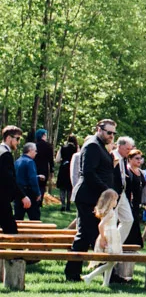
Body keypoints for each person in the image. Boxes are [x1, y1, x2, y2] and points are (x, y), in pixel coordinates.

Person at [66, 120, 117, 280]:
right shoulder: (92, 145)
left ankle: (73, 273)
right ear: (99, 130)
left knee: (84, 236)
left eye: (113, 133)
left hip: (95, 198)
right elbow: (88, 173)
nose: (111, 136)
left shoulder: (101, 146)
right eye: (109, 132)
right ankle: (107, 275)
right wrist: (107, 190)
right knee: (93, 235)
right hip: (88, 197)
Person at [82, 190, 124, 286]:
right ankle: (90, 276)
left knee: (111, 261)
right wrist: (103, 238)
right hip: (110, 237)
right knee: (111, 262)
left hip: (112, 235)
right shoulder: (110, 213)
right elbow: (101, 225)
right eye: (115, 200)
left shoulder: (108, 212)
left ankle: (105, 283)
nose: (116, 202)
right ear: (110, 201)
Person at [111, 137, 136, 256]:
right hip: (112, 194)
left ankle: (116, 245)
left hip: (122, 193)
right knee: (112, 221)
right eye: (127, 149)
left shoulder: (124, 159)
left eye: (131, 149)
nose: (129, 151)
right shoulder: (112, 156)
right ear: (119, 146)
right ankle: (111, 249)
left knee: (128, 219)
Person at [126, 149, 146, 249]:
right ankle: (128, 244)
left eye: (140, 158)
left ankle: (134, 245)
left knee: (135, 221)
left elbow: (144, 187)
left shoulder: (140, 172)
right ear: (129, 159)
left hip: (137, 202)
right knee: (131, 221)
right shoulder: (127, 170)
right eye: (136, 158)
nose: (139, 160)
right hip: (128, 201)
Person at [14, 142, 41, 221]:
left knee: (18, 218)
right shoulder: (30, 162)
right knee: (35, 217)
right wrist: (37, 193)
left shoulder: (17, 161)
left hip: (18, 192)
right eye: (35, 151)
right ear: (30, 150)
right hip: (29, 192)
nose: (36, 153)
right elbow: (32, 179)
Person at [55, 134, 78, 211]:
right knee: (69, 188)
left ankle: (63, 204)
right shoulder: (76, 148)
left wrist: (63, 160)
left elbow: (57, 159)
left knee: (62, 188)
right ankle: (68, 205)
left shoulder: (62, 148)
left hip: (63, 168)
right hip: (72, 168)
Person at [33, 128, 53, 200]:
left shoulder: (34, 145)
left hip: (34, 167)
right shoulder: (48, 146)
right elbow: (51, 160)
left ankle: (35, 199)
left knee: (35, 184)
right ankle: (40, 200)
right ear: (43, 135)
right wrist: (51, 170)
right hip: (44, 168)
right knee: (42, 185)